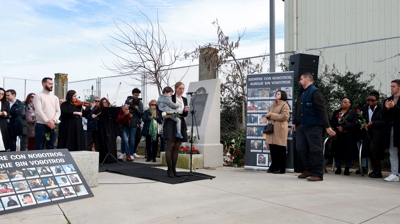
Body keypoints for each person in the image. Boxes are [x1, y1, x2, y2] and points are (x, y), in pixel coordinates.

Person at [292, 73, 336, 181]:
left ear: (307, 79)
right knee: (301, 149)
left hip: (313, 126)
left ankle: (318, 173)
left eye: (301, 78)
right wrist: (294, 122)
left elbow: (322, 110)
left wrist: (327, 126)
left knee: (315, 150)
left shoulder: (315, 92)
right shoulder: (301, 92)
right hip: (301, 126)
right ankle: (308, 169)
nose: (299, 81)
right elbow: (298, 109)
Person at [163, 82, 190, 178]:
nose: (181, 90)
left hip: (180, 122)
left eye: (183, 88)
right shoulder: (170, 98)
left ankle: (174, 169)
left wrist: (185, 111)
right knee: (170, 146)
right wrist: (165, 114)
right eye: (180, 88)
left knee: (176, 147)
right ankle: (169, 169)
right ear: (175, 88)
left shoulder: (185, 100)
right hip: (171, 123)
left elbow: (183, 115)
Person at [329, 97, 359, 175]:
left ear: (350, 104)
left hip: (349, 135)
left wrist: (344, 127)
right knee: (337, 151)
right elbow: (332, 121)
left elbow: (354, 123)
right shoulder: (337, 112)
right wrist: (338, 127)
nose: (343, 103)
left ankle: (347, 169)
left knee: (349, 152)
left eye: (346, 102)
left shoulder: (353, 112)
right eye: (342, 102)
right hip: (338, 134)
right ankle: (338, 168)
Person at [361, 91, 386, 178]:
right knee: (370, 151)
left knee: (375, 152)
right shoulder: (364, 108)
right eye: (368, 100)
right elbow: (360, 118)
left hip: (377, 133)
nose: (370, 102)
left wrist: (373, 123)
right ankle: (374, 169)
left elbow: (384, 122)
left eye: (372, 100)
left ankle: (378, 170)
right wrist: (363, 125)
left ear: (377, 101)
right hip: (368, 133)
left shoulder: (382, 109)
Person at [265, 90, 290, 174]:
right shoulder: (272, 104)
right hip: (272, 129)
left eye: (278, 94)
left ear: (282, 95)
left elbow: (284, 117)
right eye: (276, 93)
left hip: (280, 129)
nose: (276, 95)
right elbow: (269, 114)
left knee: (280, 149)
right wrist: (268, 116)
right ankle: (274, 166)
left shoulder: (285, 105)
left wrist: (271, 115)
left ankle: (281, 168)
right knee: (273, 149)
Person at [33, 77, 61, 150]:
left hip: (53, 124)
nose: (51, 85)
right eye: (49, 84)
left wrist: (54, 120)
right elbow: (38, 111)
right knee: (39, 145)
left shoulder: (55, 97)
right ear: (43, 84)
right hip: (41, 125)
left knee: (51, 145)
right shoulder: (38, 96)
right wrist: (47, 121)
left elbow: (58, 111)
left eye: (52, 84)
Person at [381, 79, 400, 182]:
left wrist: (394, 107)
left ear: (399, 87)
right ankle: (394, 173)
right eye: (391, 86)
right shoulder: (388, 99)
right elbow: (382, 114)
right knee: (393, 152)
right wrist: (387, 108)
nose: (391, 88)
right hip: (391, 129)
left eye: (393, 86)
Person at [118, 88, 144, 161]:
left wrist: (136, 108)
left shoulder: (140, 103)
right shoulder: (128, 100)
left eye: (138, 95)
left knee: (132, 140)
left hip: (134, 124)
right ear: (132, 94)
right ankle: (123, 152)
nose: (137, 96)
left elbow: (141, 113)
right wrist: (128, 111)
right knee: (124, 139)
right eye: (135, 95)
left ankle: (131, 154)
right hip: (126, 123)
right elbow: (124, 109)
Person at [96, 98, 118, 163]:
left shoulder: (110, 110)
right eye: (103, 102)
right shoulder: (98, 110)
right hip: (102, 127)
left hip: (109, 126)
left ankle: (111, 156)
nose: (105, 103)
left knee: (110, 140)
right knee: (104, 141)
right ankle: (104, 157)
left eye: (106, 102)